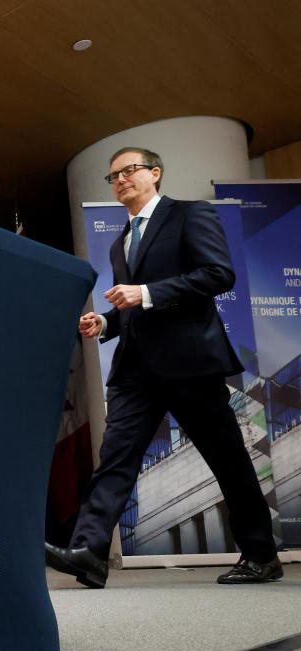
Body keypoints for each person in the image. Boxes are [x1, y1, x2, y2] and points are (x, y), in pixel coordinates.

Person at [45, 147, 282, 587]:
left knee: (227, 459)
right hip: (136, 369)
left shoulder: (190, 216)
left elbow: (217, 274)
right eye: (112, 176)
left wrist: (145, 292)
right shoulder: (120, 242)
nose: (120, 180)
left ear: (154, 173)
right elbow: (132, 304)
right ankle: (89, 552)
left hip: (191, 361)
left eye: (129, 171)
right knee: (115, 459)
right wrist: (106, 320)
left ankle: (261, 555)